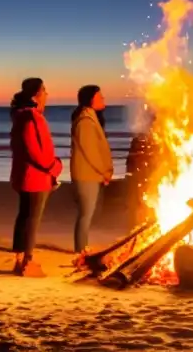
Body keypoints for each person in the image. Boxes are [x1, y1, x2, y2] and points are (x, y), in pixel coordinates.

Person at [9, 77, 62, 277]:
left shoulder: (20, 117)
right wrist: (55, 167)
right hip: (36, 178)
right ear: (35, 95)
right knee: (32, 220)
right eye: (44, 90)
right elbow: (37, 152)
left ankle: (18, 260)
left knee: (24, 217)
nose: (47, 94)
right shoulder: (32, 118)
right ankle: (27, 263)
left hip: (24, 175)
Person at [70, 84, 113, 268]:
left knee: (87, 214)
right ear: (90, 100)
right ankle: (80, 253)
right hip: (87, 174)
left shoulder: (91, 117)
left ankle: (82, 249)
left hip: (90, 174)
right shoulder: (85, 121)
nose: (103, 100)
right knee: (85, 215)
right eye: (100, 97)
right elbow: (90, 152)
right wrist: (103, 171)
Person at [125, 111, 164, 228]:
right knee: (139, 203)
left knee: (148, 203)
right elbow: (131, 160)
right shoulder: (142, 140)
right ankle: (141, 227)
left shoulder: (160, 139)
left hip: (152, 177)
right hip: (141, 177)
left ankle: (148, 226)